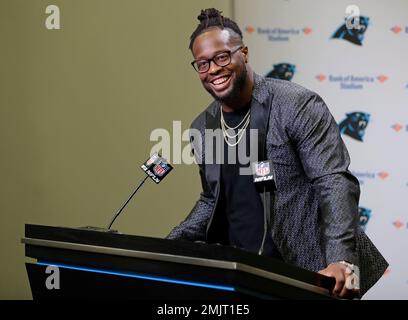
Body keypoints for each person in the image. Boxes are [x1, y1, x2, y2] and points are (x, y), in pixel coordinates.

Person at [166, 8, 388, 299]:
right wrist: (171, 244)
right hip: (244, 274)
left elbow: (332, 180)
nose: (213, 69)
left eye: (222, 57)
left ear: (243, 53)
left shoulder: (296, 105)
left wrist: (341, 260)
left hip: (310, 270)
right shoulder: (203, 127)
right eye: (203, 63)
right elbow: (212, 198)